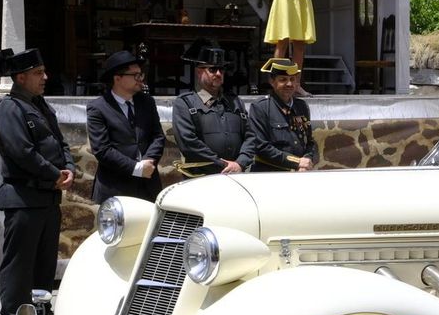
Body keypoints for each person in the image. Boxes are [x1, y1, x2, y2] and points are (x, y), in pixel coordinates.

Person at [0, 47, 74, 315]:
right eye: (38, 73)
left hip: (47, 197)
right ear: (21, 77)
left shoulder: (40, 105)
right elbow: (22, 152)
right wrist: (54, 175)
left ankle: (38, 311)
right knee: (20, 263)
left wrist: (68, 168)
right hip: (24, 196)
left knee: (43, 262)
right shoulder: (10, 108)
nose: (45, 78)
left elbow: (59, 141)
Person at [86, 49, 165, 202]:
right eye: (135, 75)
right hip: (115, 188)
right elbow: (102, 150)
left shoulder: (147, 102)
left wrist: (148, 161)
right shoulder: (98, 107)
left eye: (141, 74)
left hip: (148, 185)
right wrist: (136, 168)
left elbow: (158, 136)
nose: (140, 79)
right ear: (118, 78)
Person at [171, 42, 251, 176]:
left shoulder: (235, 101)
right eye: (212, 69)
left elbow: (251, 136)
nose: (218, 73)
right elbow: (188, 142)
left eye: (221, 69)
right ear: (198, 71)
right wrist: (223, 164)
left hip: (236, 175)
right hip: (201, 177)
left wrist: (240, 163)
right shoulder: (185, 103)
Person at [244, 57, 317, 171]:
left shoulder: (301, 106)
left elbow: (310, 142)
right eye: (283, 79)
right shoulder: (260, 107)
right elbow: (261, 146)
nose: (289, 84)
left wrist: (307, 159)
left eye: (292, 79)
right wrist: (297, 162)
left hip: (300, 173)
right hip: (270, 173)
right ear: (272, 82)